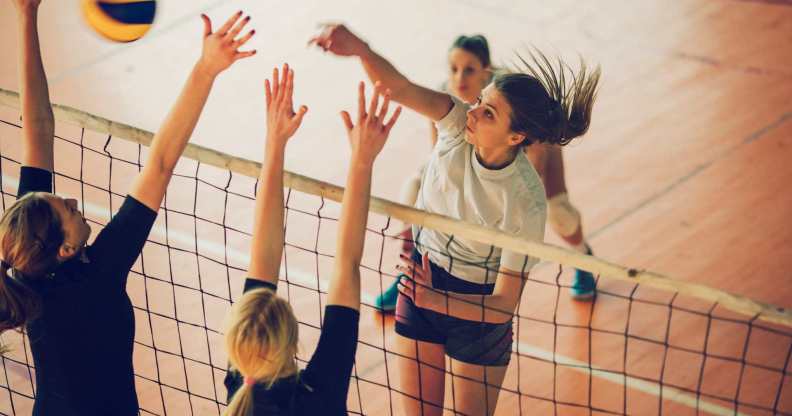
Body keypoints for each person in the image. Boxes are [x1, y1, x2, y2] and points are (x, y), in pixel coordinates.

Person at [310, 24, 599, 415]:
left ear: (515, 137)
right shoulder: (454, 125)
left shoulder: (525, 201)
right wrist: (360, 48)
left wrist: (439, 298)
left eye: (488, 112)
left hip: (477, 314)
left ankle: (584, 256)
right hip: (424, 283)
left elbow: (503, 305)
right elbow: (397, 87)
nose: (473, 112)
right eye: (480, 101)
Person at [0, 4, 256, 414]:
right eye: (66, 208)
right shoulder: (96, 275)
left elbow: (39, 127)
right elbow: (159, 164)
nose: (72, 200)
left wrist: (26, 14)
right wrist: (206, 69)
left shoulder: (27, 256)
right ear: (64, 250)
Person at [222, 65, 401, 415]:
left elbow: (268, 259)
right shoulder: (315, 395)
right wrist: (361, 161)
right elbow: (337, 265)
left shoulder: (241, 387)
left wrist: (275, 143)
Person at [375, 33, 597, 312]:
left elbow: (530, 171)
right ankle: (412, 270)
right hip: (474, 149)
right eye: (454, 69)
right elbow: (439, 163)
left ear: (486, 70)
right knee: (412, 188)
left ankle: (583, 258)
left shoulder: (514, 108)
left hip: (528, 151)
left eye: (469, 69)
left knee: (559, 213)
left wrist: (497, 201)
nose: (460, 78)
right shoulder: (447, 95)